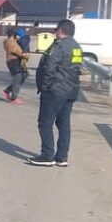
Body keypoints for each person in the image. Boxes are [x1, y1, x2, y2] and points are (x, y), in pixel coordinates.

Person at [28, 19, 83, 167]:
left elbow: (49, 67)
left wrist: (46, 86)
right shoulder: (77, 47)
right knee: (64, 125)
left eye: (56, 30)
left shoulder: (58, 46)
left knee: (45, 123)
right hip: (71, 90)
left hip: (55, 90)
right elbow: (76, 68)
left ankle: (47, 155)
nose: (55, 32)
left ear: (60, 30)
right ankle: (62, 157)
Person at [3, 28, 29, 104]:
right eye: (17, 35)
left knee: (24, 75)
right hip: (12, 61)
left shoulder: (14, 41)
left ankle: (7, 90)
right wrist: (26, 55)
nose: (18, 37)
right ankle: (14, 98)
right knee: (17, 78)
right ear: (13, 35)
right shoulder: (10, 42)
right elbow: (19, 52)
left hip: (16, 61)